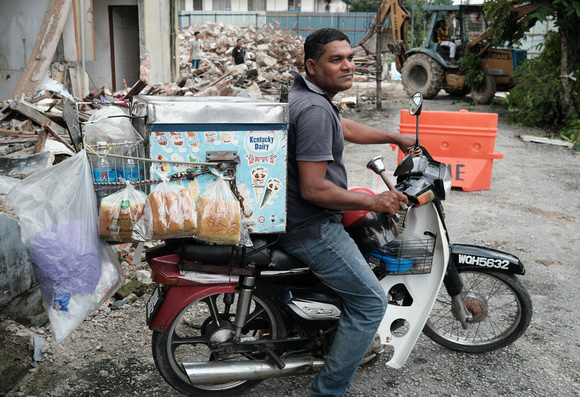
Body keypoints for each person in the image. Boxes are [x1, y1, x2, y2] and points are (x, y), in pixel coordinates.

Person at [278, 28, 415, 397]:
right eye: (335, 59)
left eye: (350, 58)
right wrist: (374, 201)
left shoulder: (310, 96)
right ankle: (328, 392)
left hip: (300, 216)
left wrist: (394, 137)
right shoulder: (314, 110)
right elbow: (314, 188)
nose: (348, 66)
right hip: (311, 225)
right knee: (371, 302)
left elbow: (346, 128)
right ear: (312, 65)